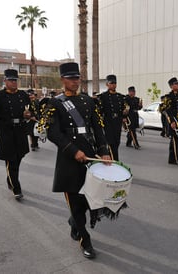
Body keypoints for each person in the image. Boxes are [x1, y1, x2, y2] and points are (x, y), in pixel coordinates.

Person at [41, 62, 111, 259]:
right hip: (69, 159)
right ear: (63, 80)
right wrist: (73, 151)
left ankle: (74, 223)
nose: (75, 81)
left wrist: (104, 150)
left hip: (89, 156)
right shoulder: (54, 103)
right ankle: (85, 240)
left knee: (89, 199)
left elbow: (98, 128)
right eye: (71, 78)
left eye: (77, 78)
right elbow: (53, 133)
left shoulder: (89, 102)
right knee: (75, 202)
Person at [0, 69, 31, 200]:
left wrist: (29, 115)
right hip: (5, 131)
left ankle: (10, 178)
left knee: (19, 157)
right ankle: (16, 187)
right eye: (10, 80)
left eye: (15, 80)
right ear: (5, 81)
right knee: (10, 159)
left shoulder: (23, 95)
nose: (13, 82)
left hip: (20, 130)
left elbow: (31, 111)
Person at [97, 74, 126, 160]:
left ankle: (113, 158)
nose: (113, 85)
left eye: (115, 83)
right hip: (108, 121)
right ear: (107, 84)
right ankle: (114, 160)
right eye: (111, 83)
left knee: (117, 141)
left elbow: (123, 108)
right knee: (110, 142)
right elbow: (99, 110)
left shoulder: (120, 97)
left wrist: (125, 113)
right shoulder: (103, 96)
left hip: (117, 121)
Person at [161, 77, 178, 168]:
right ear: (171, 86)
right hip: (173, 120)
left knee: (174, 140)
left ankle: (171, 159)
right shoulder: (168, 97)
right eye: (176, 84)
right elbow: (166, 110)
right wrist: (171, 121)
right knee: (176, 139)